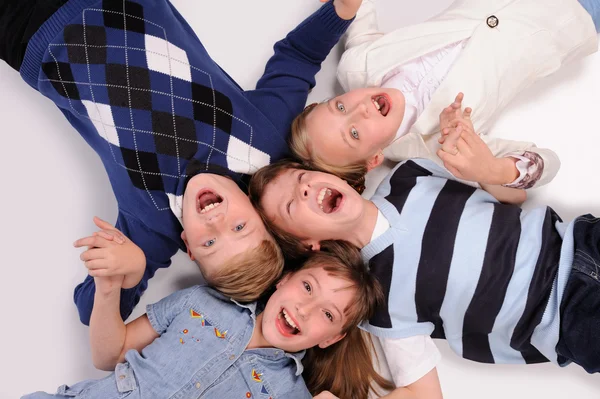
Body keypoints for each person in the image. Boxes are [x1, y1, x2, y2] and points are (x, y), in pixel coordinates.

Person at [0, 0, 364, 325]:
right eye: (240, 227)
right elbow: (297, 58)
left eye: (209, 244)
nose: (216, 220)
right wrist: (340, 12)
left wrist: (129, 272)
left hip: (29, 36)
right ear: (258, 212)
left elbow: (87, 310)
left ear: (188, 245)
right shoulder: (264, 145)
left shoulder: (154, 224)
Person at [248, 108, 600, 375]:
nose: (305, 188)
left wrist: (484, 169)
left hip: (579, 241)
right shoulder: (376, 301)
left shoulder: (410, 174)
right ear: (307, 242)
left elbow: (511, 201)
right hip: (563, 319)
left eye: (302, 177)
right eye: (292, 205)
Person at [22, 223, 390, 399]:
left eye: (328, 315)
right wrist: (108, 288)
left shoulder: (290, 394)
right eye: (307, 287)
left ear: (332, 338)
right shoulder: (203, 302)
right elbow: (109, 355)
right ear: (284, 279)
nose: (305, 310)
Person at [287, 0, 600, 192]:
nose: (358, 109)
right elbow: (547, 162)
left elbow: (358, 13)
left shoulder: (357, 65)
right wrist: (492, 170)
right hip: (574, 16)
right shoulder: (441, 148)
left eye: (339, 106)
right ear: (373, 159)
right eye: (354, 133)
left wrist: (339, 10)